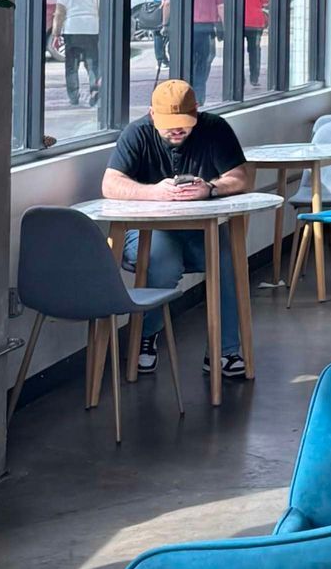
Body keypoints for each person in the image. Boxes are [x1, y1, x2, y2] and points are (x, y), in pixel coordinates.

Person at [102, 78, 251, 381]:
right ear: (152, 115)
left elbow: (242, 177)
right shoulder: (137, 134)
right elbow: (110, 183)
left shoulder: (215, 129)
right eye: (169, 124)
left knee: (226, 254)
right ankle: (147, 334)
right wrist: (154, 192)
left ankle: (225, 350)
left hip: (198, 229)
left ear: (197, 113)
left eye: (184, 123)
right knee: (162, 256)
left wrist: (210, 188)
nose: (177, 130)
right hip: (146, 232)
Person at [51, 0, 100, 109]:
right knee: (92, 64)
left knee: (71, 65)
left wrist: (56, 34)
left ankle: (73, 96)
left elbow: (59, 14)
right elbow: (101, 11)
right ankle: (94, 92)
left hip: (72, 30)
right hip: (91, 28)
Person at [189, 0, 224, 100]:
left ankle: (186, 94)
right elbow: (221, 7)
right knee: (204, 62)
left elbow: (168, 3)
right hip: (206, 29)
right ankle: (199, 96)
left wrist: (164, 24)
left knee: (187, 61)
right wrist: (224, 26)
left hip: (186, 29)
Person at [242, 0, 269, 88]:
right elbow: (265, 0)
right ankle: (254, 77)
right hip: (256, 21)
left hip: (240, 20)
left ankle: (239, 78)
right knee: (255, 50)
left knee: (237, 51)